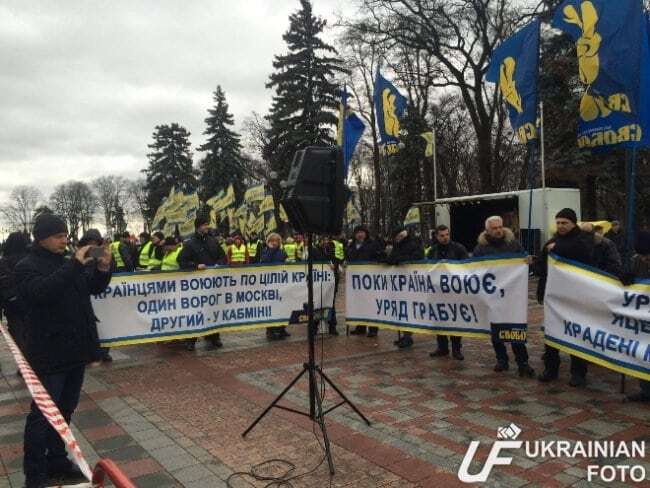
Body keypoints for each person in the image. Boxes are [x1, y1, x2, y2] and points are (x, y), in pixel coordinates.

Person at [16, 214, 112, 488]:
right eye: (59, 236)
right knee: (43, 415)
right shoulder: (27, 265)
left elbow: (91, 288)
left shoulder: (67, 263)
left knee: (65, 411)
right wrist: (73, 265)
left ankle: (57, 461)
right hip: (48, 352)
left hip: (75, 351)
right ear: (42, 237)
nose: (65, 240)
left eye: (65, 235)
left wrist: (103, 269)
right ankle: (34, 474)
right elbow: (41, 293)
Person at [537, 208, 594, 387]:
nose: (560, 226)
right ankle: (551, 369)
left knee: (576, 334)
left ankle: (578, 373)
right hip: (553, 298)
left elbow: (584, 253)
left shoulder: (583, 239)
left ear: (573, 223)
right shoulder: (551, 241)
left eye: (564, 223)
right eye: (558, 222)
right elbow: (541, 268)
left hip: (575, 297)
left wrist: (558, 248)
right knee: (551, 334)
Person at [474, 216, 535, 377]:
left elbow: (523, 258)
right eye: (494, 228)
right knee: (496, 330)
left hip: (512, 296)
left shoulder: (513, 244)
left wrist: (527, 260)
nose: (499, 230)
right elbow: (474, 269)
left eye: (500, 226)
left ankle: (523, 362)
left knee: (515, 328)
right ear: (487, 230)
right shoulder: (481, 248)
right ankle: (502, 360)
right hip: (493, 296)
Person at [179, 216, 226, 351]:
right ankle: (191, 340)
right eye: (205, 225)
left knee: (213, 309)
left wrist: (219, 264)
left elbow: (222, 256)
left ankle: (214, 337)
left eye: (207, 225)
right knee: (196, 312)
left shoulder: (213, 241)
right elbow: (181, 261)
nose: (207, 227)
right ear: (198, 226)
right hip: (196, 286)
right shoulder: (190, 243)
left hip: (212, 284)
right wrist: (195, 266)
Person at [428, 225, 468, 360]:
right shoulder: (432, 251)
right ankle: (442, 347)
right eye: (442, 235)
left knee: (455, 320)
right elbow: (427, 268)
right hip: (438, 292)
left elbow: (467, 266)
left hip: (454, 291)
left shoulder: (458, 248)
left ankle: (457, 349)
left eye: (447, 235)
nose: (445, 238)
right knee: (440, 320)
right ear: (436, 236)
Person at [385, 227, 424, 349]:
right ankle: (405, 335)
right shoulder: (398, 245)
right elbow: (391, 260)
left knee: (408, 309)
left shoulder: (413, 243)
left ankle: (408, 336)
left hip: (411, 282)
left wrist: (398, 260)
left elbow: (417, 257)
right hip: (400, 283)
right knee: (402, 309)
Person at [79, 229, 113, 363]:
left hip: (100, 295)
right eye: (89, 243)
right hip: (87, 299)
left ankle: (103, 351)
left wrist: (104, 267)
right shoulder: (80, 255)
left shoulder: (102, 254)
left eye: (95, 243)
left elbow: (107, 270)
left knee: (104, 324)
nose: (92, 246)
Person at [624, 231, 650, 402]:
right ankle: (646, 390)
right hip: (642, 316)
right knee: (643, 352)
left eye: (647, 256)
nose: (644, 260)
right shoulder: (635, 260)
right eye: (642, 256)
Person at [346, 225, 384, 337]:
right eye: (357, 232)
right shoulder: (351, 245)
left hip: (370, 280)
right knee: (359, 304)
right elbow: (349, 257)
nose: (360, 234)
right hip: (356, 281)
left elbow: (379, 256)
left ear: (366, 233)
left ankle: (373, 328)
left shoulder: (372, 244)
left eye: (362, 232)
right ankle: (361, 327)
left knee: (371, 304)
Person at [0, 232, 30, 359]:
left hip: (12, 305)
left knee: (17, 334)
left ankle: (23, 362)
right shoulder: (30, 259)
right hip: (30, 303)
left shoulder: (3, 262)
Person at [261, 233, 290, 340]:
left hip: (281, 284)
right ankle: (270, 330)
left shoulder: (282, 252)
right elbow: (265, 261)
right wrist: (271, 250)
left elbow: (287, 263)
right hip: (270, 284)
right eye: (272, 240)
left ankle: (282, 328)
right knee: (271, 307)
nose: (274, 242)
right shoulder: (265, 251)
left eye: (276, 240)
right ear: (268, 242)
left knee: (283, 306)